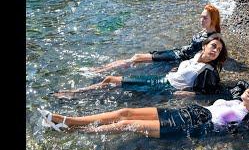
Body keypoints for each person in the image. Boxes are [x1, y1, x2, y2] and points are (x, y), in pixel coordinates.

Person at [39, 80, 249, 138]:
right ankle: (71, 120)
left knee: (128, 125)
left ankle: (73, 131)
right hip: (187, 111)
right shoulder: (236, 100)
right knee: (124, 112)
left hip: (192, 124)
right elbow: (240, 85)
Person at [54, 35, 228, 98]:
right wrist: (176, 70)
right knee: (113, 83)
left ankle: (74, 94)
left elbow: (209, 91)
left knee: (111, 81)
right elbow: (186, 69)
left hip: (164, 86)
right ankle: (77, 93)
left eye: (219, 50)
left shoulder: (209, 71)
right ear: (204, 46)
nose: (215, 51)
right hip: (163, 79)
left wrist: (185, 94)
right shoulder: (196, 56)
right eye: (213, 46)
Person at [89, 4, 222, 73]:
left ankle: (99, 70)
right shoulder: (206, 31)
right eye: (201, 16)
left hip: (178, 58)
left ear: (213, 19)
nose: (201, 20)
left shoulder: (214, 38)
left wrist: (183, 68)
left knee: (136, 58)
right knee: (136, 58)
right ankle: (100, 69)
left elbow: (212, 60)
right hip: (177, 52)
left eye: (205, 17)